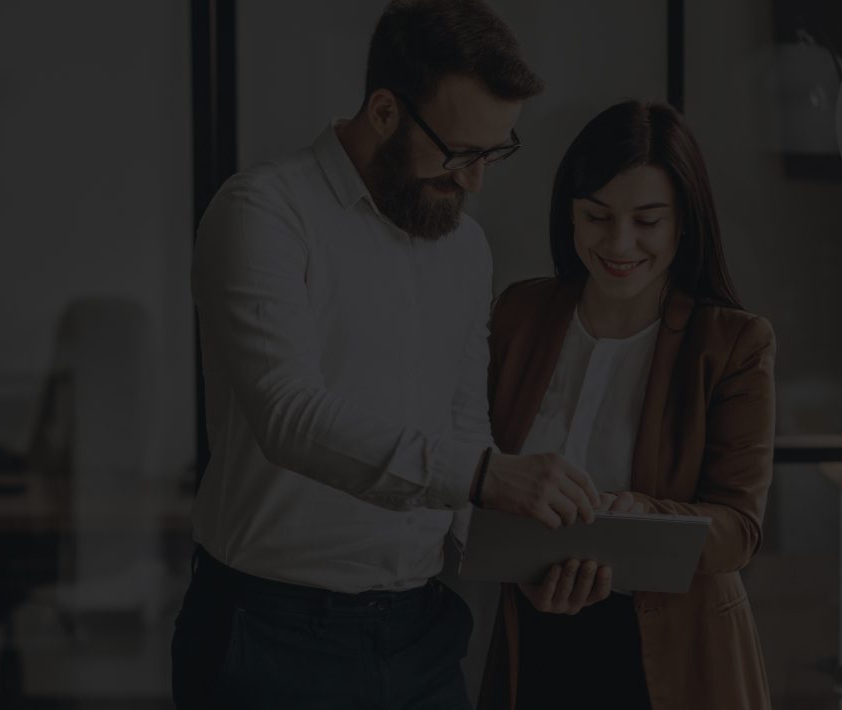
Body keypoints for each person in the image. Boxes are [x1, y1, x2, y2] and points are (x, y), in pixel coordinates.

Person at [173, 1, 614, 708]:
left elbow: (463, 424)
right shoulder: (263, 212)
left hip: (421, 631)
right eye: (460, 153)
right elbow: (289, 413)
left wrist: (510, 559)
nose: (475, 181)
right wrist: (484, 477)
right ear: (383, 111)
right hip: (269, 635)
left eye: (494, 153)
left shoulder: (465, 248)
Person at [477, 100, 777, 710]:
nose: (619, 243)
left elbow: (738, 531)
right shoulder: (519, 315)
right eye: (597, 216)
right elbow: (474, 468)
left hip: (678, 656)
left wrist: (643, 515)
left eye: (647, 220)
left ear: (683, 223)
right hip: (535, 641)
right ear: (570, 214)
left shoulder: (733, 344)